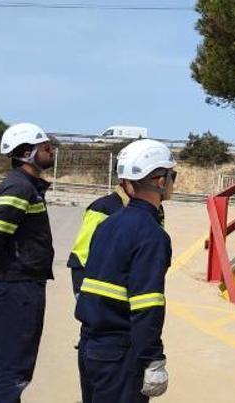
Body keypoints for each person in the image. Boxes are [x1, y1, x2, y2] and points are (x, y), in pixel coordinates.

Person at [75, 138, 175, 402]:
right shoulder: (152, 235)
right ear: (160, 181)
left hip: (90, 346)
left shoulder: (107, 224)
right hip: (121, 352)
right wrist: (153, 358)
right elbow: (147, 304)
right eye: (172, 175)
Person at [0, 122, 56, 402]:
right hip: (16, 287)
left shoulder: (26, 186)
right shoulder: (18, 187)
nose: (52, 151)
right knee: (14, 370)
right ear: (26, 153)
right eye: (46, 147)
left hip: (14, 285)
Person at [68, 177, 137, 296]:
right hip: (103, 300)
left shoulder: (154, 211)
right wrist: (81, 294)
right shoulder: (102, 208)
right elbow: (81, 256)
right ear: (127, 180)